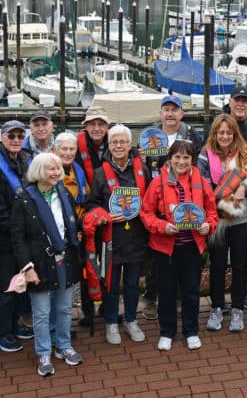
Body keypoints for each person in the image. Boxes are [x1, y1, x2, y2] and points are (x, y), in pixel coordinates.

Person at [140, 140, 219, 351]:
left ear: (192, 159)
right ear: (170, 159)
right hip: (165, 247)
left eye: (186, 157)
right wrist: (162, 226)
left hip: (191, 246)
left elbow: (212, 212)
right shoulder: (158, 183)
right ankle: (167, 331)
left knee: (191, 291)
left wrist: (207, 226)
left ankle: (191, 331)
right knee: (166, 291)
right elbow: (145, 212)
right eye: (177, 157)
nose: (181, 162)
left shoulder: (201, 182)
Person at [11, 153, 84, 375]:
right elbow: (18, 237)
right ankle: (43, 352)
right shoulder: (24, 198)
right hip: (40, 262)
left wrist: (78, 232)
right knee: (41, 312)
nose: (55, 173)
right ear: (38, 171)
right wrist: (27, 267)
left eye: (57, 169)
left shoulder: (63, 192)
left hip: (65, 257)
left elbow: (74, 222)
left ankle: (63, 346)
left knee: (64, 307)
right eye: (50, 169)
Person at [198, 114, 247, 333]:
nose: (225, 136)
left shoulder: (245, 154)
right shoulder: (204, 156)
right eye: (221, 132)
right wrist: (220, 198)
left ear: (234, 134)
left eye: (229, 132)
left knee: (240, 265)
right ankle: (217, 307)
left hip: (243, 220)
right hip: (217, 220)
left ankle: (238, 309)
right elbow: (200, 182)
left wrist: (244, 187)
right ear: (215, 134)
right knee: (217, 265)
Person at [86, 124, 149, 345]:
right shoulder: (100, 173)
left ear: (130, 145)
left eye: (123, 142)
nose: (119, 146)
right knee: (111, 283)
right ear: (109, 145)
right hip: (111, 237)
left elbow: (149, 198)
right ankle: (112, 322)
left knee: (133, 282)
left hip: (137, 236)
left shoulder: (142, 169)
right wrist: (104, 215)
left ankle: (131, 320)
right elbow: (92, 204)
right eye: (114, 142)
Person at [0, 120, 34, 352]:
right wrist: (15, 230)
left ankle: (14, 325)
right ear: (2, 137)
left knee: (20, 283)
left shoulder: (23, 159)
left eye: (19, 136)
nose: (15, 140)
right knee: (4, 286)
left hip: (22, 234)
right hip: (5, 236)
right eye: (10, 136)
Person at [53, 131, 97, 329]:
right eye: (64, 149)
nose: (68, 153)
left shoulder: (77, 170)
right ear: (55, 150)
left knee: (87, 272)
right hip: (62, 232)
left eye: (72, 149)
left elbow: (86, 198)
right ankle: (60, 323)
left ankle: (89, 313)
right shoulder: (52, 172)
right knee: (63, 279)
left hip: (81, 229)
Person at [143, 95, 204, 177]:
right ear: (161, 113)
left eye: (174, 110)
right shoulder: (147, 136)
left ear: (181, 114)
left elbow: (198, 164)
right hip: (155, 185)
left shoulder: (192, 135)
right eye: (166, 110)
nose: (170, 114)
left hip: (183, 185)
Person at [76, 105, 111, 187]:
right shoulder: (74, 146)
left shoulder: (117, 145)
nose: (97, 129)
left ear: (107, 126)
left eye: (101, 124)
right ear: (86, 127)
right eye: (92, 124)